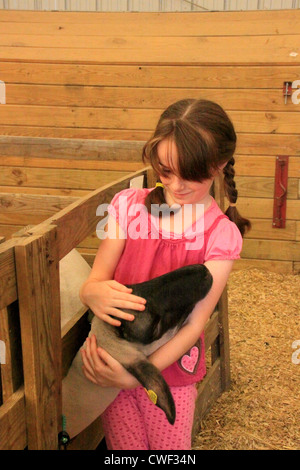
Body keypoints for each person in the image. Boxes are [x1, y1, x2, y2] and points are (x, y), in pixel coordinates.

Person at [79, 99, 251, 450]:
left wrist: (140, 375)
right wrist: (90, 293)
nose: (176, 185)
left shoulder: (220, 235)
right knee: (124, 448)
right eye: (166, 171)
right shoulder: (128, 206)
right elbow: (96, 279)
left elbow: (193, 324)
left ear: (218, 165)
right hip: (113, 361)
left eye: (191, 174)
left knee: (169, 451)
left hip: (168, 373)